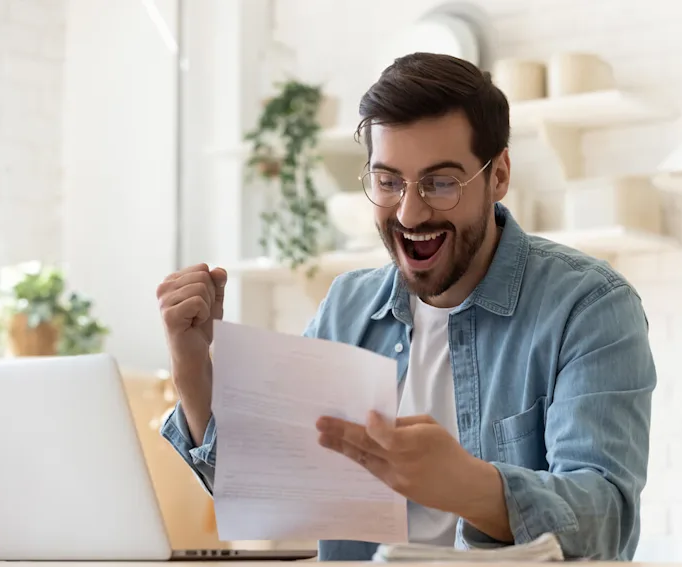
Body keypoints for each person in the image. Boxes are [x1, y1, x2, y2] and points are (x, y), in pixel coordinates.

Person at [157, 52, 656, 562]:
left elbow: (605, 521)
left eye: (441, 183)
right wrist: (192, 367)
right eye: (388, 182)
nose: (411, 212)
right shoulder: (347, 307)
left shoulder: (589, 307)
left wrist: (467, 484)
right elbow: (268, 485)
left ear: (499, 175)